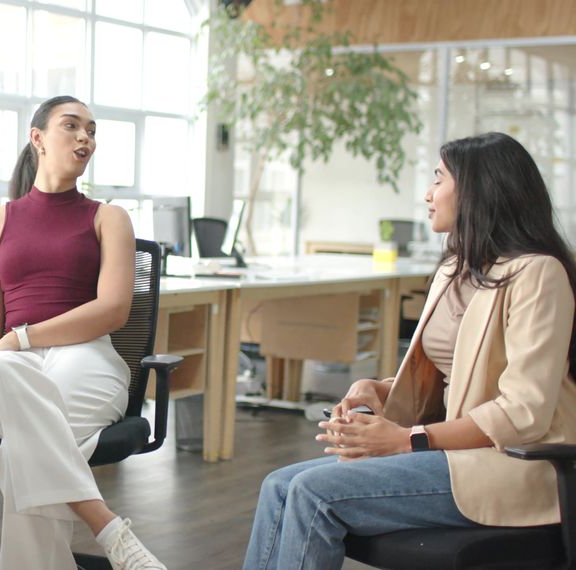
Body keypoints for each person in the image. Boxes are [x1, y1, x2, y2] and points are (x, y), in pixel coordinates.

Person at [243, 131, 576, 569]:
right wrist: (379, 391)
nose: (427, 194)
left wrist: (406, 440)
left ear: (478, 189)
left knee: (312, 494)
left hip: (512, 465)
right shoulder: (456, 268)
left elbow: (523, 412)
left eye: (438, 179)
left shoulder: (537, 273)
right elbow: (452, 380)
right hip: (455, 453)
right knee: (278, 486)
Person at [0, 96, 166, 570]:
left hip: (88, 359)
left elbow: (113, 310)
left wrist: (21, 338)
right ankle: (111, 532)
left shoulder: (108, 217)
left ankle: (102, 542)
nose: (86, 137)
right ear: (37, 137)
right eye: (71, 126)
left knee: (25, 444)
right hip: (14, 368)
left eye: (92, 130)